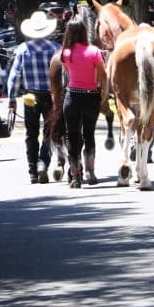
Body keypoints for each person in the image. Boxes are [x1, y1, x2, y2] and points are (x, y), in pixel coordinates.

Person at [7, 10, 60, 184]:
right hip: (51, 96)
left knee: (31, 133)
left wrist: (12, 99)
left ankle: (32, 171)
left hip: (30, 95)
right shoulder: (55, 49)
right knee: (50, 132)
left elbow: (15, 77)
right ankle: (43, 162)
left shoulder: (23, 49)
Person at [61, 15, 107, 188]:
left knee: (72, 137)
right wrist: (102, 91)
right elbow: (103, 75)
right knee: (89, 135)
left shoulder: (65, 53)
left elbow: (68, 72)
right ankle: (90, 172)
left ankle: (75, 176)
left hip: (72, 96)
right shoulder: (94, 52)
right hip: (91, 96)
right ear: (83, 32)